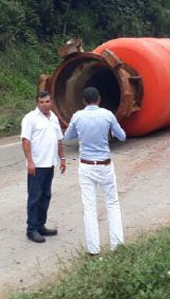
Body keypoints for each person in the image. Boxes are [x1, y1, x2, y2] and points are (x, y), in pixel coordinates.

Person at [63, 87, 127, 256]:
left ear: (84, 101)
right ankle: (117, 245)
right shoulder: (107, 115)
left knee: (89, 207)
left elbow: (68, 136)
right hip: (105, 165)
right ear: (99, 99)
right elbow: (122, 136)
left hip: (86, 165)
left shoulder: (77, 116)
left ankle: (93, 250)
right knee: (112, 204)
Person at [20, 91, 66, 243]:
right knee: (34, 197)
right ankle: (31, 229)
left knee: (46, 195)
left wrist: (63, 158)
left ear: (51, 102)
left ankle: (41, 225)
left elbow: (59, 139)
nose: (45, 104)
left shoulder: (53, 117)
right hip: (37, 166)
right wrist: (30, 162)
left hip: (50, 163)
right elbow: (26, 141)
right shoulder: (30, 118)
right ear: (37, 103)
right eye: (42, 102)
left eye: (47, 101)